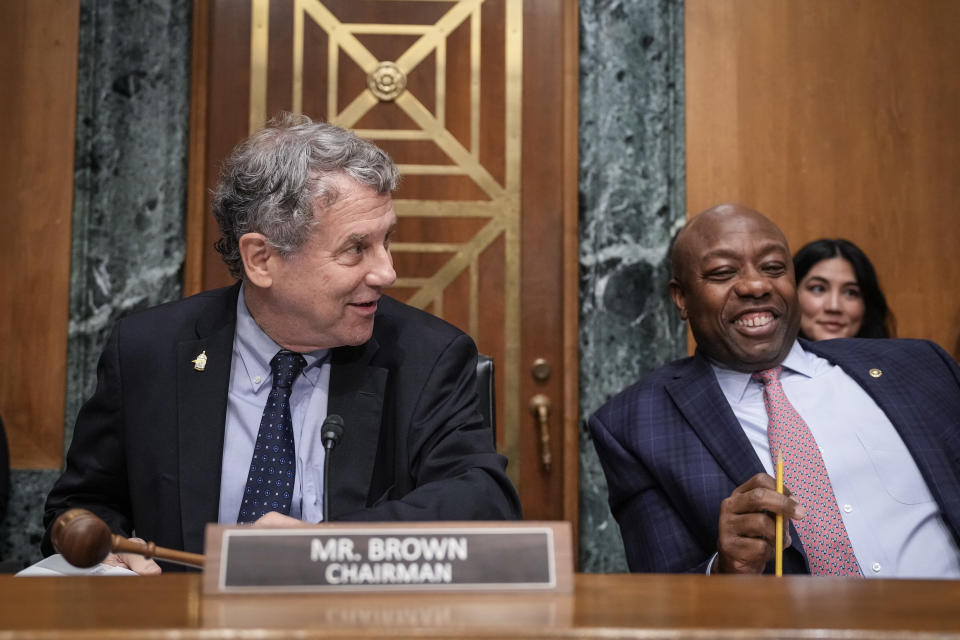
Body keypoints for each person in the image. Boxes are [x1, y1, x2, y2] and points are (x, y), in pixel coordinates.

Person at [42, 114, 522, 574]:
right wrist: (113, 557)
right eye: (356, 249)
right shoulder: (150, 352)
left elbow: (485, 503)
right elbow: (81, 506)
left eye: (385, 241)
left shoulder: (427, 357)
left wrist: (326, 549)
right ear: (261, 259)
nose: (386, 272)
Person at [589, 203, 960, 576]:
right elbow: (663, 597)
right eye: (722, 272)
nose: (756, 285)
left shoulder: (918, 365)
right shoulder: (637, 424)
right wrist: (725, 568)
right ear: (681, 298)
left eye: (773, 268)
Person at [793, 238, 894, 340]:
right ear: (791, 294)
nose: (834, 307)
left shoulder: (897, 355)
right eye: (818, 289)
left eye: (850, 293)